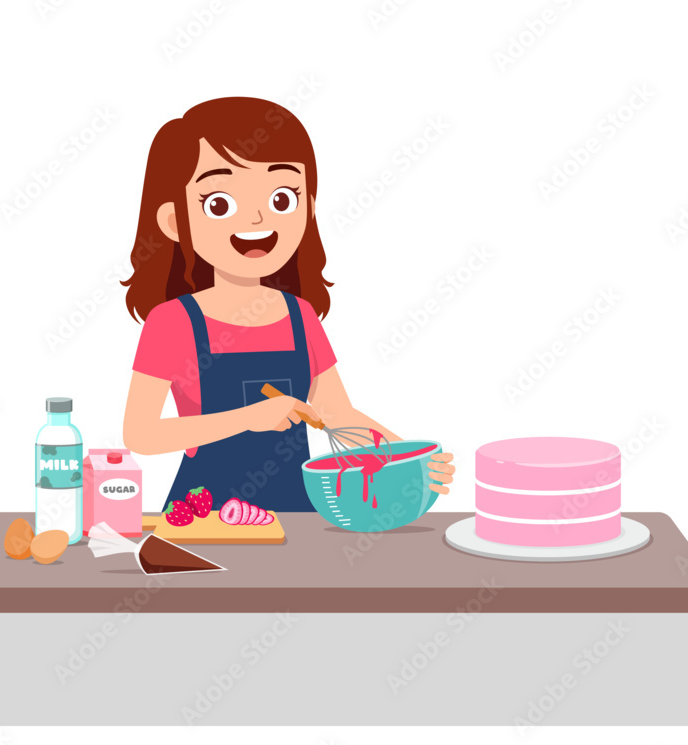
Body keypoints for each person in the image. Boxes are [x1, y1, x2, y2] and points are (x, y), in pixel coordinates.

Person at [122, 97, 454, 512]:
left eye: (282, 198)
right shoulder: (172, 321)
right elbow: (141, 434)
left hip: (298, 512)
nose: (258, 220)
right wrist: (247, 417)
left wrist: (410, 459)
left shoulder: (300, 315)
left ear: (308, 208)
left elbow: (337, 414)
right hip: (204, 514)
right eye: (220, 204)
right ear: (173, 221)